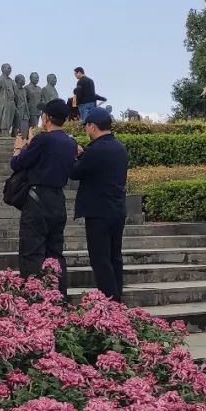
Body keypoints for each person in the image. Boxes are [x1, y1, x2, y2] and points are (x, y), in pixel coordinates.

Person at [9, 99, 78, 295]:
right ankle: (58, 297)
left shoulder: (43, 139)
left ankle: (33, 299)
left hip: (37, 200)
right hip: (57, 200)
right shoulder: (71, 142)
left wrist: (19, 147)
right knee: (55, 253)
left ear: (46, 118)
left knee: (32, 252)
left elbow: (18, 164)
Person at [70, 108, 128, 301]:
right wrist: (84, 154)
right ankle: (117, 299)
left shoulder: (96, 150)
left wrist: (75, 155)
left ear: (92, 127)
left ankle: (110, 302)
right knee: (114, 257)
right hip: (117, 210)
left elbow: (75, 172)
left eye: (86, 126)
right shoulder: (120, 147)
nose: (86, 130)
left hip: (98, 212)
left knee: (100, 259)